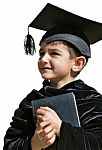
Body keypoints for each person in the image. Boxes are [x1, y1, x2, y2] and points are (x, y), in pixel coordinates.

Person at [3, 3, 102, 150]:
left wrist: (61, 128)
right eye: (41, 53)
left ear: (78, 63)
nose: (43, 59)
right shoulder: (31, 101)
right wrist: (33, 144)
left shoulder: (92, 102)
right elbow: (10, 144)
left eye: (54, 53)